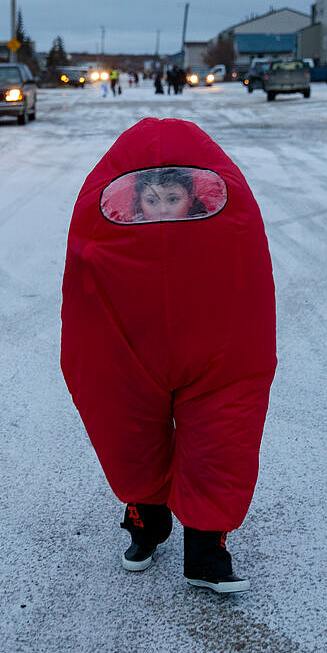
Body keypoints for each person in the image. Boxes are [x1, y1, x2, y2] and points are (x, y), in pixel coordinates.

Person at [61, 118, 277, 594]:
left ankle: (206, 549)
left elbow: (248, 275)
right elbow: (84, 270)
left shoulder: (224, 230)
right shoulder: (115, 236)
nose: (162, 208)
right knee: (128, 435)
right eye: (151, 200)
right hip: (131, 353)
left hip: (214, 357)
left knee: (221, 440)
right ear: (134, 200)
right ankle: (146, 522)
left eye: (173, 199)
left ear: (195, 197)